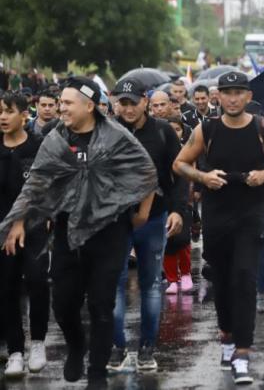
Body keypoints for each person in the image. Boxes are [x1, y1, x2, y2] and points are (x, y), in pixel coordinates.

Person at [0, 76, 157, 385]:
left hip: (110, 233)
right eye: (60, 103)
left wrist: (139, 212)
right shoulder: (55, 139)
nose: (62, 108)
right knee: (64, 304)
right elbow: (35, 183)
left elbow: (145, 171)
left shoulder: (116, 136)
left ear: (89, 105)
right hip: (67, 231)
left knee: (102, 304)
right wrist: (16, 221)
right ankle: (75, 345)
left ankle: (97, 373)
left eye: (68, 103)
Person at [172, 71, 264, 384]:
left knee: (244, 279)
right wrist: (203, 177)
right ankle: (227, 337)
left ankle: (243, 353)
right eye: (226, 93)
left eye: (238, 92)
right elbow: (180, 163)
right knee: (224, 282)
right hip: (217, 215)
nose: (232, 98)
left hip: (252, 214)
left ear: (247, 96)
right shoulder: (207, 129)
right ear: (218, 96)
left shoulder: (263, 127)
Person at [109, 77, 188, 372]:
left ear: (145, 101)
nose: (127, 109)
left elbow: (178, 173)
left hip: (154, 219)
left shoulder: (164, 132)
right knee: (113, 285)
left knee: (151, 286)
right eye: (122, 103)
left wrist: (178, 210)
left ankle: (146, 349)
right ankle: (118, 348)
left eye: (132, 102)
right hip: (115, 221)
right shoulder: (108, 131)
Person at [0, 93, 49, 378]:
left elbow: (45, 187)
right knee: (6, 289)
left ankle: (38, 342)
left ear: (24, 115)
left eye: (9, 111)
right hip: (3, 232)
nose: (3, 117)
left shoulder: (38, 147)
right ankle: (15, 352)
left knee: (37, 280)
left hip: (33, 228)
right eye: (0, 112)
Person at [163, 116, 195, 295]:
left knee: (182, 240)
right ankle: (171, 279)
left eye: (177, 129)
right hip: (163, 202)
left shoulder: (187, 150)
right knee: (167, 242)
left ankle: (186, 274)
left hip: (185, 201)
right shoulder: (160, 149)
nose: (173, 133)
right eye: (170, 129)